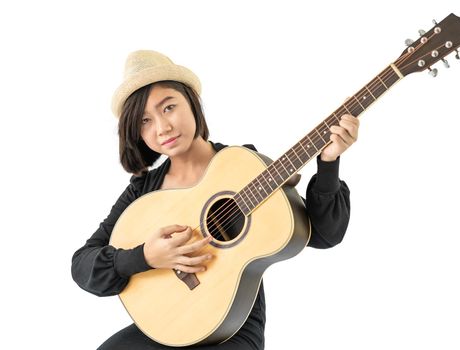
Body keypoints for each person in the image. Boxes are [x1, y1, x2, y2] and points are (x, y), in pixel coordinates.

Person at [71, 50, 359, 350]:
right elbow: (83, 264)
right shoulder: (143, 190)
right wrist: (145, 257)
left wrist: (328, 163)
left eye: (168, 107)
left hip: (232, 329)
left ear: (193, 103)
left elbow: (324, 235)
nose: (162, 127)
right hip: (167, 326)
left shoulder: (243, 168)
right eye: (145, 120)